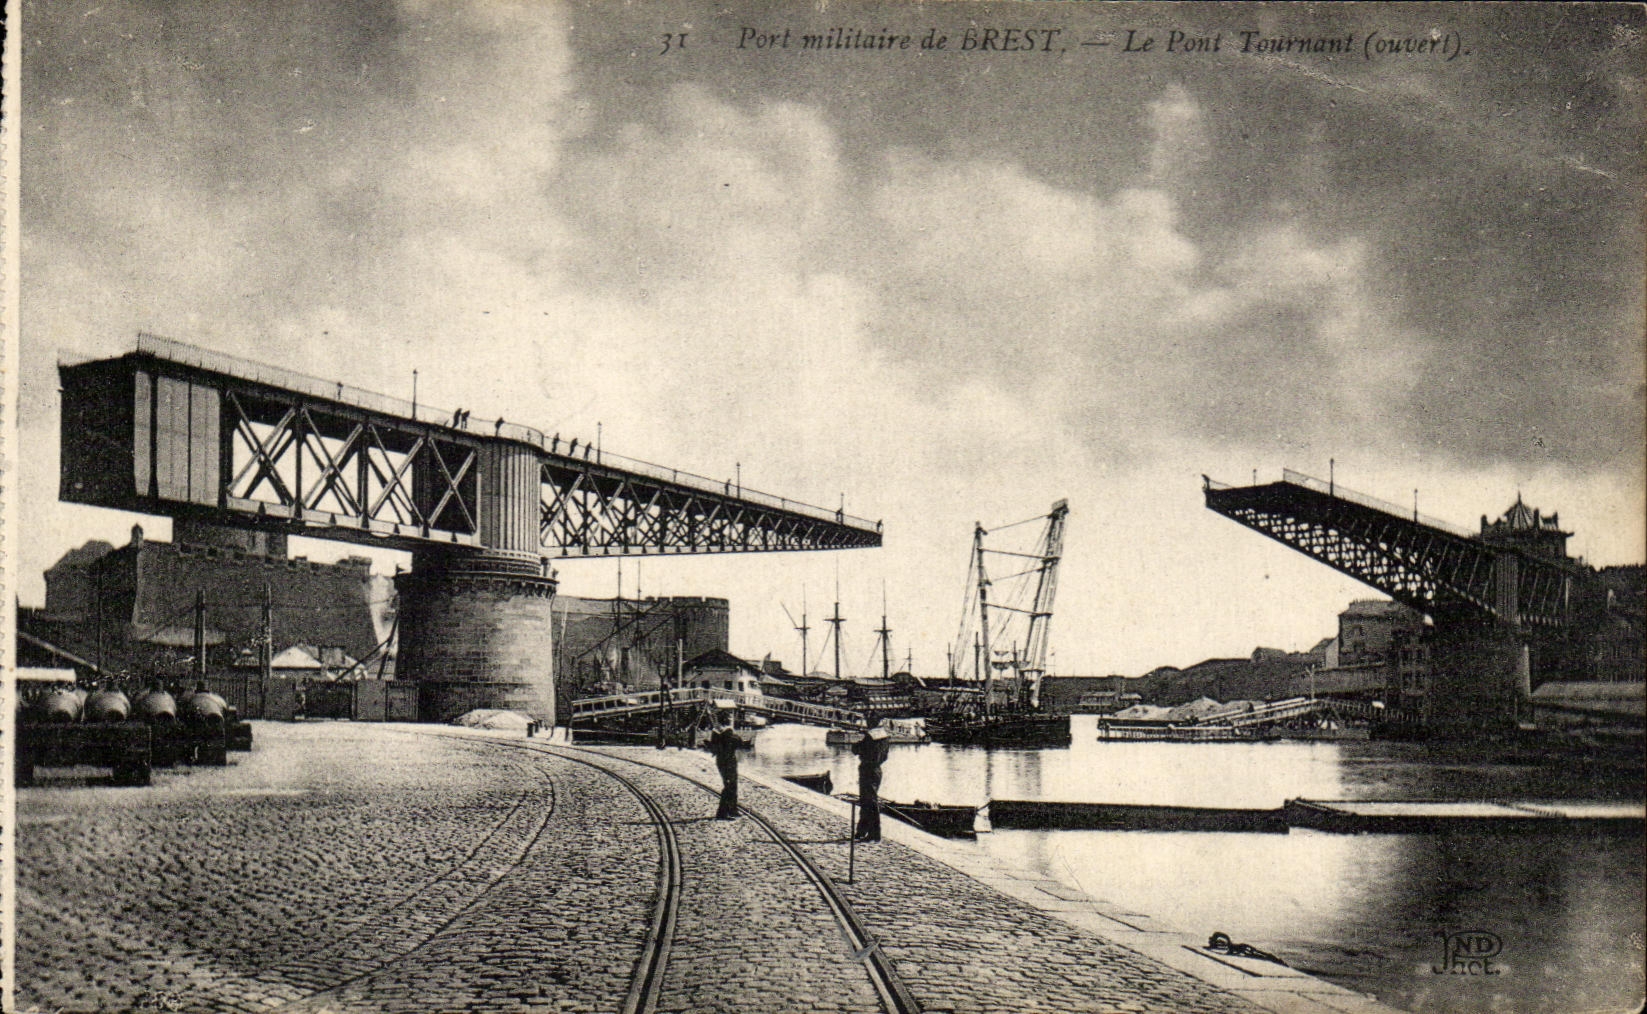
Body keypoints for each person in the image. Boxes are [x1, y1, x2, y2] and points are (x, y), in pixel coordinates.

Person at [852, 719, 891, 841]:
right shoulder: (885, 736)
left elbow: (856, 750)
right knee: (868, 800)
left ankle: (874, 833)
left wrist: (857, 744)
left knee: (868, 802)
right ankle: (862, 831)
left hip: (867, 769)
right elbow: (885, 756)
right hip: (877, 770)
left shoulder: (870, 737)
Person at [706, 709, 742, 819]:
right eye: (730, 717)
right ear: (726, 720)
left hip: (722, 760)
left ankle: (732, 809)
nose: (731, 719)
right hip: (728, 760)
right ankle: (723, 812)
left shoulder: (716, 732)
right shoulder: (726, 732)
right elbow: (738, 742)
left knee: (732, 784)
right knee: (730, 785)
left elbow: (714, 746)